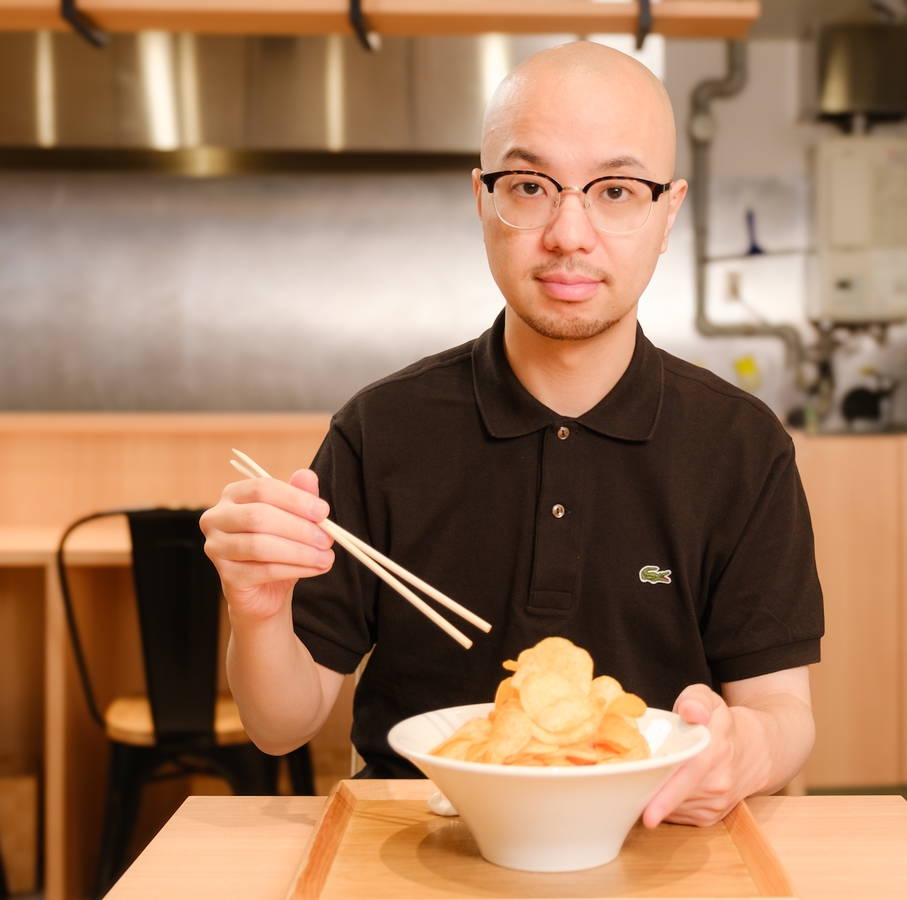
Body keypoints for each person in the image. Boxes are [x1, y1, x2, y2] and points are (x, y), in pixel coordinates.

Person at [200, 40, 822, 829]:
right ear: (482, 199)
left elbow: (783, 710)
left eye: (617, 191)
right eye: (529, 186)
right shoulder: (380, 430)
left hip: (654, 843)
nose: (570, 232)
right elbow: (279, 724)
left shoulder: (741, 445)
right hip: (417, 848)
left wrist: (744, 751)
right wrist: (257, 611)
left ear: (669, 211)